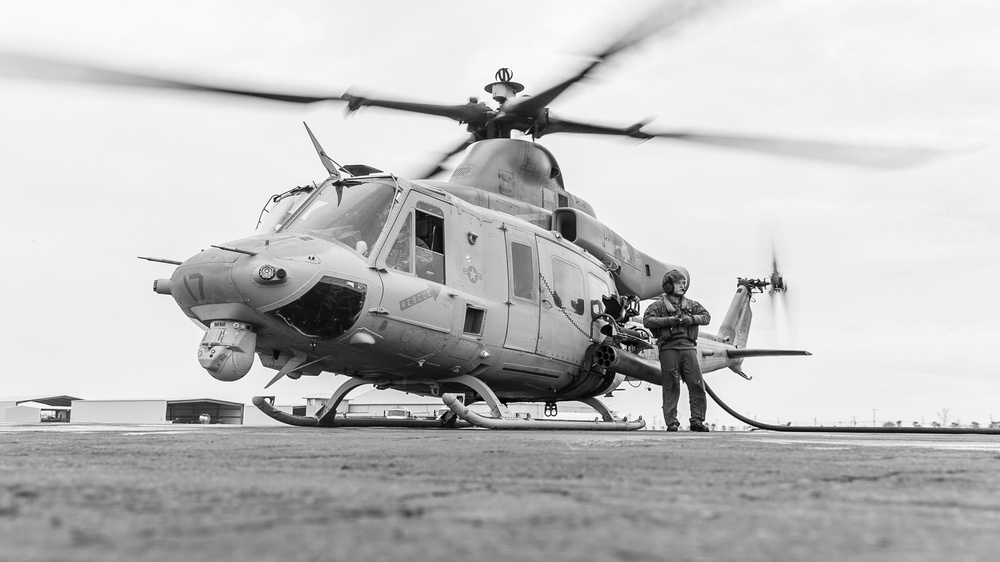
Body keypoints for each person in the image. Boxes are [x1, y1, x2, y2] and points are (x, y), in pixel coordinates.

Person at [643, 269, 712, 432]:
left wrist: (692, 319)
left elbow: (706, 317)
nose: (683, 286)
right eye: (679, 283)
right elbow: (647, 320)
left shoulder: (692, 305)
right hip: (668, 348)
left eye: (684, 283)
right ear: (668, 286)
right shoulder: (658, 306)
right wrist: (668, 321)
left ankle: (697, 421)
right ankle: (672, 422)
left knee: (696, 384)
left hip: (688, 348)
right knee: (671, 385)